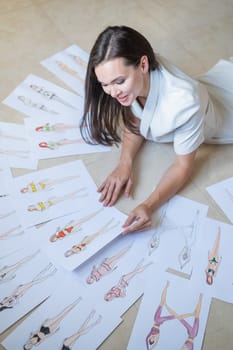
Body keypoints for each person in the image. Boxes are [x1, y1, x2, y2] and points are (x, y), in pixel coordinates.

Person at [80, 25, 233, 234]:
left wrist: (149, 205)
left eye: (119, 82)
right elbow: (136, 122)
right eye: (104, 84)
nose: (112, 92)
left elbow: (182, 166)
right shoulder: (134, 76)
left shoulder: (185, 102)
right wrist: (124, 164)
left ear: (143, 64)